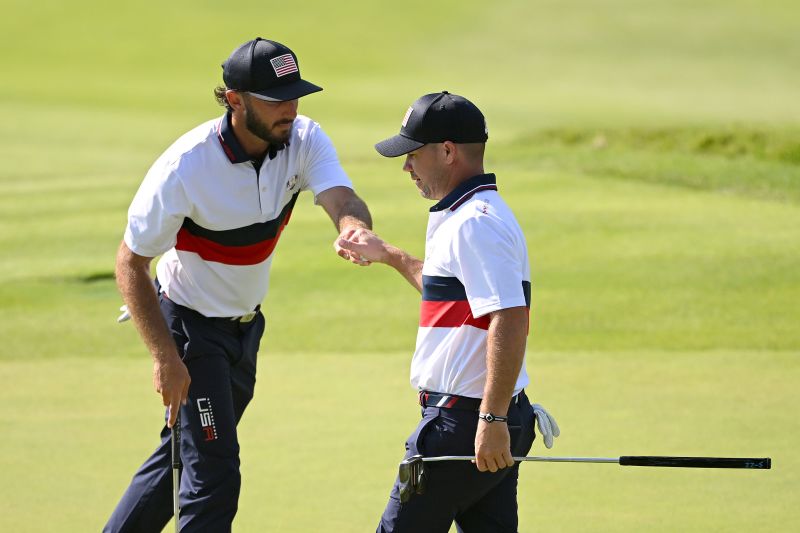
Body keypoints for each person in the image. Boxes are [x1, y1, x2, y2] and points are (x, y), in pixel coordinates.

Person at [105, 38, 372, 532]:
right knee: (214, 475)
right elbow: (130, 263)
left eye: (294, 96)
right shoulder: (185, 167)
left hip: (245, 329)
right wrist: (166, 357)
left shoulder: (303, 138)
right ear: (235, 100)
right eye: (275, 100)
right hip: (190, 329)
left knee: (177, 459)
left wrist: (354, 229)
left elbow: (340, 195)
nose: (289, 110)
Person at [336, 91, 559, 533]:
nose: (406, 168)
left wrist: (491, 419)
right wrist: (391, 256)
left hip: (466, 423)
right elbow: (463, 298)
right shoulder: (466, 215)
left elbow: (509, 317)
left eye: (413, 155)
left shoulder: (474, 223)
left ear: (448, 151)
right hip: (486, 417)